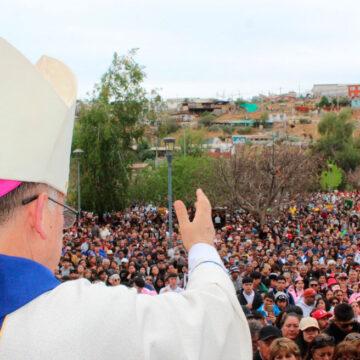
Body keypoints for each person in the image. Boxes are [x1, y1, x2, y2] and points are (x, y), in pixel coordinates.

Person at [0, 39, 252, 359]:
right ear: (38, 213)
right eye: (62, 211)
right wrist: (202, 245)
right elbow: (217, 327)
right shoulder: (83, 322)